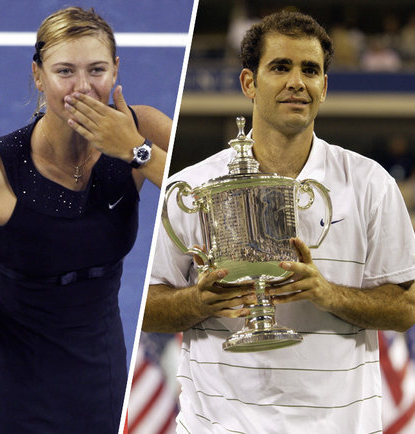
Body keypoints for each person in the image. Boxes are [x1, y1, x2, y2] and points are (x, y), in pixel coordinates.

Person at [0, 6, 172, 433]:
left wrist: (136, 150)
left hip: (107, 397)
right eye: (65, 71)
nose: (83, 88)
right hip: (15, 407)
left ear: (116, 70)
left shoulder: (145, 131)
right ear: (38, 75)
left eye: (97, 69)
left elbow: (207, 198)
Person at [142, 10, 415, 433]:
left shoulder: (370, 184)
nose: (297, 82)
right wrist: (197, 302)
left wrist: (329, 294)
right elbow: (145, 308)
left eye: (310, 70)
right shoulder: (193, 186)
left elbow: (406, 308)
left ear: (324, 86)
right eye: (280, 67)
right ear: (249, 83)